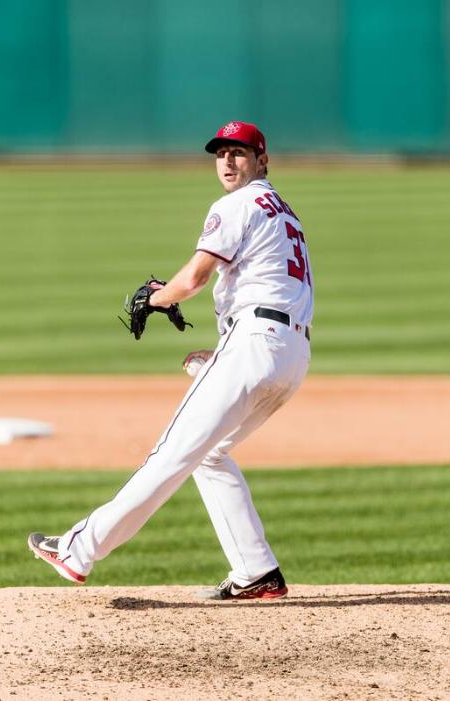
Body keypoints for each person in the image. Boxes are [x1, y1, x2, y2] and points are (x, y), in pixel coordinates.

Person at [28, 120, 314, 600]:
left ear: (262, 160)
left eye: (239, 152)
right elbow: (273, 289)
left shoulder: (236, 204)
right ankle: (255, 571)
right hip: (290, 352)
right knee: (210, 454)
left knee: (171, 453)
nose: (227, 161)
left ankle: (79, 550)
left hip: (256, 343)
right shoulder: (285, 212)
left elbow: (195, 280)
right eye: (221, 153)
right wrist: (231, 349)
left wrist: (157, 298)